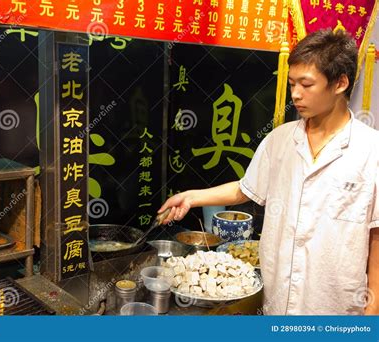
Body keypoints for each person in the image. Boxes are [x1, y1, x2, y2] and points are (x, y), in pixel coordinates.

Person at [158, 29, 379, 315]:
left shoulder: (371, 150)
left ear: (340, 83)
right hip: (279, 303)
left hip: (336, 308)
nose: (295, 94)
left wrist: (372, 313)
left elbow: (376, 239)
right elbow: (246, 188)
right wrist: (191, 196)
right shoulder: (280, 140)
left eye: (306, 84)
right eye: (291, 84)